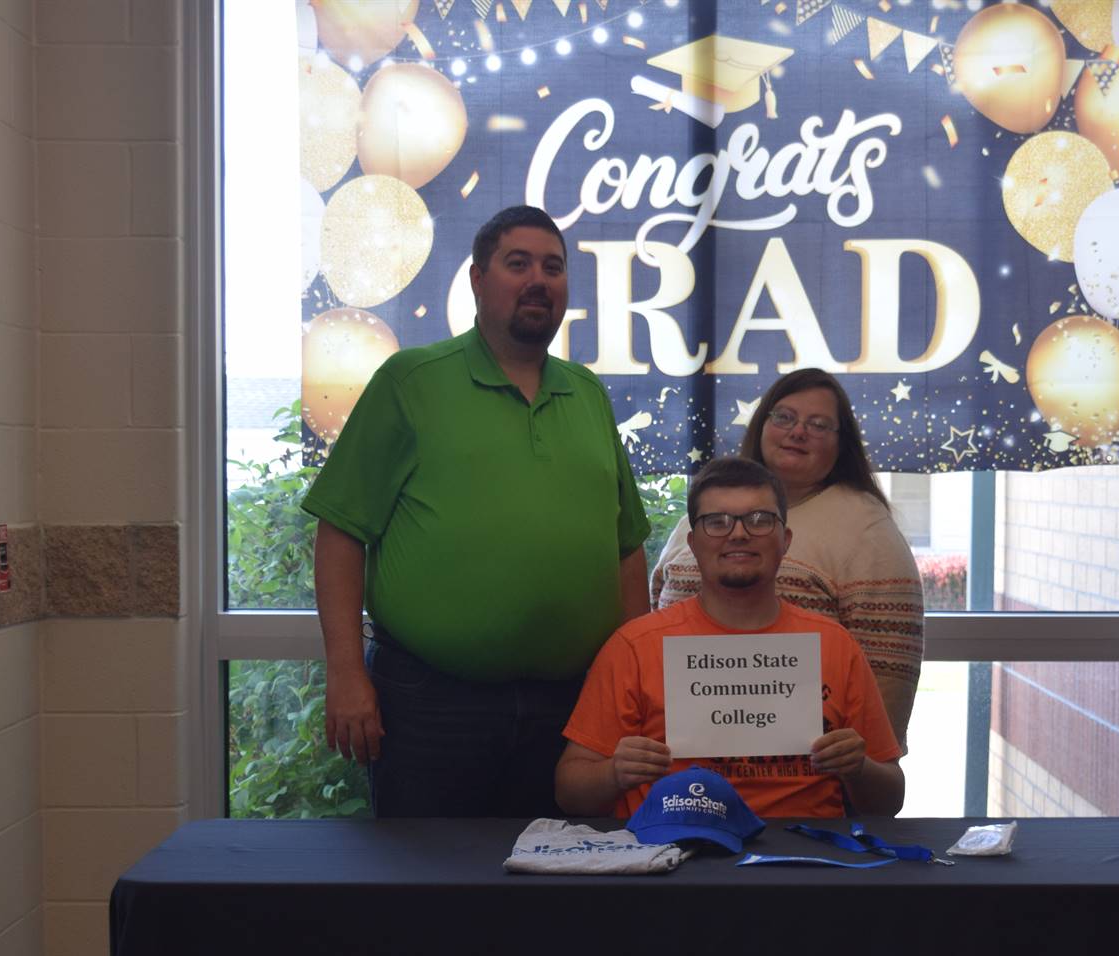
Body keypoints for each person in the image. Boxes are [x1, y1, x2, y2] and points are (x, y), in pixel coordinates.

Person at [303, 205, 651, 817]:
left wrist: (637, 689)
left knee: (567, 886)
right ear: (477, 280)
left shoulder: (588, 394)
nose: (538, 280)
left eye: (554, 266)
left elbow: (626, 551)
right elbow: (340, 534)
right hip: (431, 706)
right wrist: (346, 672)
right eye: (517, 264)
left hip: (572, 708)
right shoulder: (411, 381)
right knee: (430, 898)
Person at [557, 456, 904, 820]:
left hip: (805, 857)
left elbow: (889, 801)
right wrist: (613, 774)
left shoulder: (834, 646)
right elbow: (569, 792)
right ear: (692, 543)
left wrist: (859, 768)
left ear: (785, 540)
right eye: (717, 522)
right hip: (674, 851)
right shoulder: (635, 647)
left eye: (759, 520)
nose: (738, 533)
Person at [649, 369, 925, 745]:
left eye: (819, 424)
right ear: (761, 426)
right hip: (679, 749)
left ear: (842, 444)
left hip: (802, 771)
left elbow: (887, 677)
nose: (798, 432)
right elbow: (655, 618)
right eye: (783, 417)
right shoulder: (700, 512)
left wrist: (865, 768)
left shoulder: (867, 530)